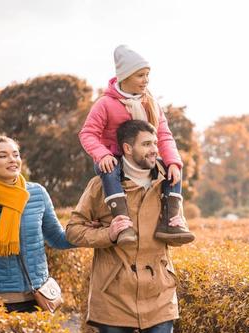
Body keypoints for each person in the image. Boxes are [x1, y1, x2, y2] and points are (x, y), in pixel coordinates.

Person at [66, 120, 191, 333]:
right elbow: (73, 231)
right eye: (146, 144)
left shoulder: (168, 184)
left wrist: (178, 227)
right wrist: (108, 234)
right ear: (127, 148)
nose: (154, 150)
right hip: (114, 293)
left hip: (160, 292)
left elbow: (178, 232)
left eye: (156, 143)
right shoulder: (100, 186)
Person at [79, 44, 194, 247]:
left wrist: (173, 162)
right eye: (140, 75)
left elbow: (164, 135)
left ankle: (172, 221)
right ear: (125, 77)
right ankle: (123, 224)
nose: (146, 80)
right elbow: (88, 133)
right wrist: (102, 154)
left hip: (142, 156)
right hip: (112, 158)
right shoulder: (105, 104)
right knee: (110, 170)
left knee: (173, 167)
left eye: (147, 74)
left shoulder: (151, 103)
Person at [0, 133, 74, 313]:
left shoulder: (37, 193)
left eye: (15, 154)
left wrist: (87, 230)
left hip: (39, 299)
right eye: (3, 156)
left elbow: (57, 238)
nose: (12, 160)